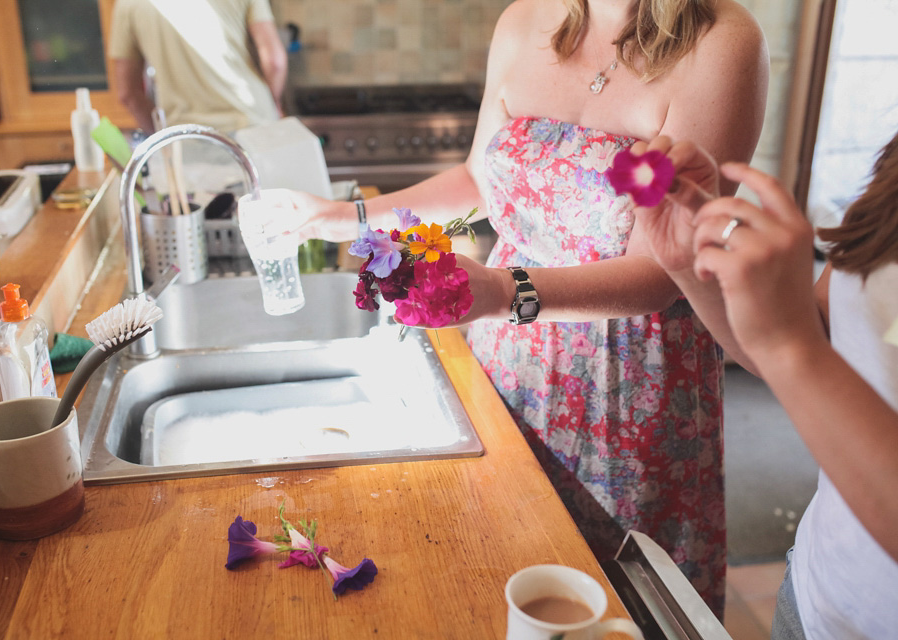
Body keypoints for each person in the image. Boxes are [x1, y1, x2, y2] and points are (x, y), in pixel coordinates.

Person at [258, 0, 769, 615]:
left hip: (627, 379)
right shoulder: (524, 20)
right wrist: (340, 218)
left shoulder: (721, 42)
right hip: (507, 357)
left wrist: (503, 292)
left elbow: (660, 272)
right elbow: (480, 180)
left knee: (619, 600)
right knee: (503, 564)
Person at [635, 132, 898, 639]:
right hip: (816, 595)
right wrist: (691, 265)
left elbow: (801, 350)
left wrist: (790, 344)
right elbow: (820, 346)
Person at [108, 0, 287, 135]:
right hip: (252, 123)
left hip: (186, 136)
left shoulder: (128, 4)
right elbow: (274, 62)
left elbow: (127, 93)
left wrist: (161, 137)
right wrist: (273, 102)